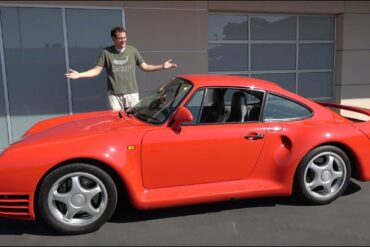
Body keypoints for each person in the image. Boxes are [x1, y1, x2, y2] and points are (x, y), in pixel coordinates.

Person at [65, 26, 178, 110]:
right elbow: (96, 70)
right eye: (120, 38)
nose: (124, 40)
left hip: (131, 93)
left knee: (133, 120)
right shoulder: (106, 52)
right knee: (115, 121)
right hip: (114, 95)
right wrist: (79, 74)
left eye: (125, 37)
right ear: (113, 39)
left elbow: (145, 67)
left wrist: (162, 66)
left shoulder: (132, 50)